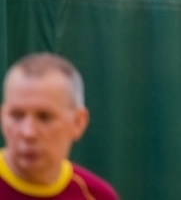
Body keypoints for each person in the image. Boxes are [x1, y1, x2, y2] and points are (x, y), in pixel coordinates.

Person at [0, 52, 119, 200]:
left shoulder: (96, 195)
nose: (28, 132)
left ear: (78, 122)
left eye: (44, 117)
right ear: (2, 117)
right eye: (17, 116)